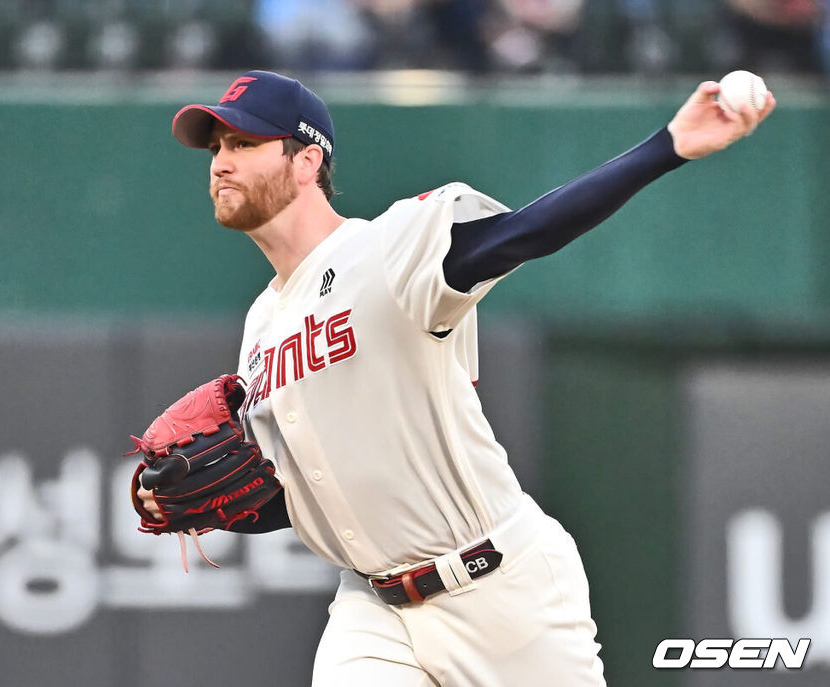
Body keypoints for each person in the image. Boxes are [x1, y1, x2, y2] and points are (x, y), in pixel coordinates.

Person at [139, 70, 774, 686]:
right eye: (217, 147)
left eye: (245, 144)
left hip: (499, 589)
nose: (221, 161)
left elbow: (526, 232)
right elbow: (306, 491)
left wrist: (666, 148)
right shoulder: (261, 324)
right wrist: (207, 503)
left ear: (306, 161)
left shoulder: (388, 250)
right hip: (372, 610)